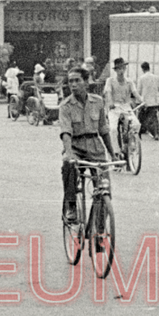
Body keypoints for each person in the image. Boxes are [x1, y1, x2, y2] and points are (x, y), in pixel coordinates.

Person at [58, 67, 117, 225]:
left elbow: (104, 130)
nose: (73, 84)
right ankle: (70, 206)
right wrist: (69, 153)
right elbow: (66, 132)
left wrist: (113, 153)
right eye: (71, 81)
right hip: (76, 147)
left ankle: (98, 228)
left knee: (104, 189)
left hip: (96, 148)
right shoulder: (66, 106)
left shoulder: (98, 101)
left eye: (77, 80)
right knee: (67, 165)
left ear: (86, 82)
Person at [103, 57, 142, 150]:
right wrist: (110, 102)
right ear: (115, 70)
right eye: (119, 68)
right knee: (113, 129)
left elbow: (135, 92)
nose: (121, 71)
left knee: (136, 124)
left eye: (123, 68)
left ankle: (132, 142)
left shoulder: (129, 81)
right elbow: (108, 92)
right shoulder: (110, 81)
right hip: (114, 108)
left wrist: (142, 100)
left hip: (126, 107)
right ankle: (115, 151)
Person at [136, 61, 159, 137]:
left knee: (141, 118)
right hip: (154, 102)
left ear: (142, 69)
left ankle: (139, 134)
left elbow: (138, 91)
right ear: (149, 68)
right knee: (154, 118)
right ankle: (156, 134)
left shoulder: (141, 78)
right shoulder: (156, 78)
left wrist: (138, 99)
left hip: (145, 103)